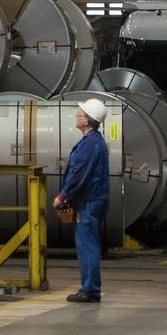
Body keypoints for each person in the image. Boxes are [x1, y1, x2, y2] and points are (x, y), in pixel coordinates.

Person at [55, 98, 110, 303]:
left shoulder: (90, 144)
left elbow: (79, 174)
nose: (77, 116)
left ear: (87, 121)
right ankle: (89, 288)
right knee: (87, 244)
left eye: (80, 114)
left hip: (89, 201)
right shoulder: (93, 141)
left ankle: (90, 290)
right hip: (92, 200)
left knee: (87, 246)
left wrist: (63, 196)